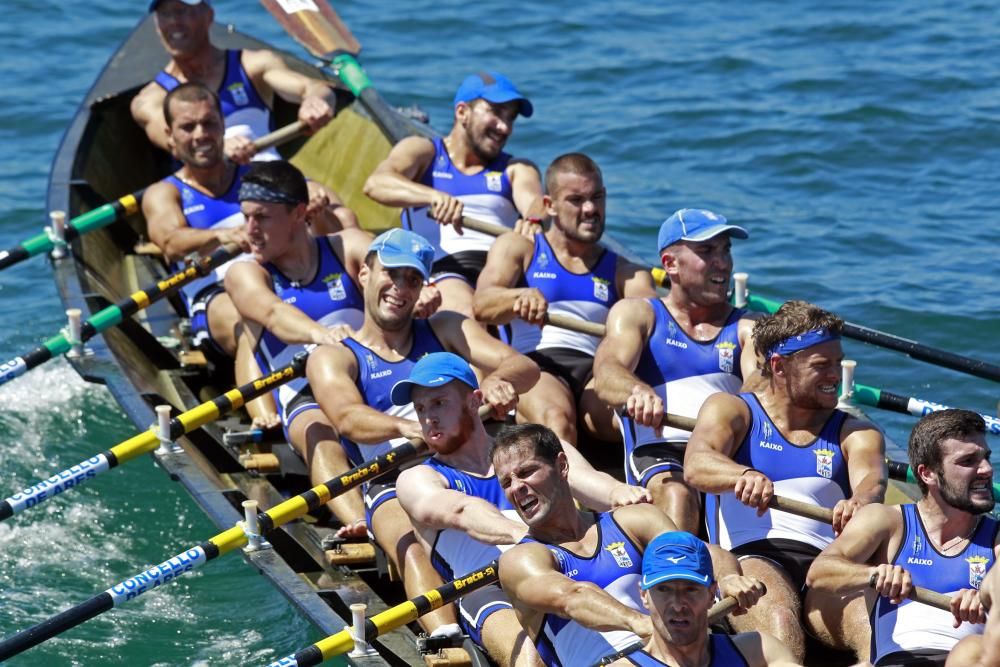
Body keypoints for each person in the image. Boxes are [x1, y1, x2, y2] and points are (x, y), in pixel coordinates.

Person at [305, 228, 540, 632]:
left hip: (469, 460)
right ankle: (445, 641)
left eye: (411, 279)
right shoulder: (335, 356)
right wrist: (419, 428)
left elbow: (526, 367)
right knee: (413, 547)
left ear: (422, 288)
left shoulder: (444, 326)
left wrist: (502, 380)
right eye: (390, 274)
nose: (399, 288)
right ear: (364, 274)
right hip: (392, 479)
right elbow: (347, 418)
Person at [393, 353, 649, 666]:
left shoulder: (529, 450)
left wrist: (623, 494)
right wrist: (528, 540)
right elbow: (464, 511)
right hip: (490, 593)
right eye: (420, 408)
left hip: (570, 568)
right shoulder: (416, 478)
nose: (427, 417)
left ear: (475, 402)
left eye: (439, 403)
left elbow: (594, 484)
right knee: (531, 661)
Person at [682, 300, 887, 662]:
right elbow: (697, 464)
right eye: (821, 366)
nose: (835, 376)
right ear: (779, 366)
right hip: (754, 556)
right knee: (778, 617)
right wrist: (741, 475)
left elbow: (872, 480)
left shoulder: (856, 431)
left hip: (829, 564)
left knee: (876, 631)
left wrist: (862, 501)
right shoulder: (734, 409)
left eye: (838, 364)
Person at [494, 424, 766, 667]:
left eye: (527, 472)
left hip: (683, 657)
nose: (516, 488)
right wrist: (643, 625)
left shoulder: (633, 521)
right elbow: (572, 596)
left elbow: (703, 553)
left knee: (766, 649)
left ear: (563, 465)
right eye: (506, 482)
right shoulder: (520, 560)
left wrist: (727, 578)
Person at [223, 159, 374, 537]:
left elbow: (390, 268)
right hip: (303, 391)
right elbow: (273, 314)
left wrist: (425, 288)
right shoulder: (246, 273)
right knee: (319, 434)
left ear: (298, 214)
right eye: (245, 217)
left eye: (262, 217)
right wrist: (319, 336)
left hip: (369, 373)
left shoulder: (346, 247)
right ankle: (359, 523)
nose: (249, 231)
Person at [593, 208, 758, 532]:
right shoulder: (639, 314)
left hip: (724, 456)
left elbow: (759, 389)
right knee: (678, 494)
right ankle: (672, 579)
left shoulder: (747, 327)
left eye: (726, 250)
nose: (723, 263)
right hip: (662, 451)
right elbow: (607, 373)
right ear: (670, 264)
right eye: (707, 252)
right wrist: (636, 390)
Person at [474, 153, 656, 445]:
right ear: (550, 206)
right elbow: (482, 304)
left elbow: (654, 319)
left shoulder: (627, 272)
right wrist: (517, 296)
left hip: (597, 372)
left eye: (597, 197)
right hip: (539, 365)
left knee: (633, 423)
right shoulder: (521, 248)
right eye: (576, 200)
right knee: (557, 421)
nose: (590, 209)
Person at [133, 0, 356, 232]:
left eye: (182, 12)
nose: (173, 23)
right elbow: (170, 140)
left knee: (344, 219)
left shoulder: (252, 64)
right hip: (213, 193)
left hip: (276, 178)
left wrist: (316, 101)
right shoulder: (150, 100)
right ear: (157, 26)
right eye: (165, 14)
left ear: (208, 16)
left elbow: (313, 88)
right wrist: (218, 147)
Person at [805, 409, 996, 666]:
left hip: (971, 660)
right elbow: (819, 574)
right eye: (968, 461)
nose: (986, 470)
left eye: (986, 458)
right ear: (927, 474)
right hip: (899, 660)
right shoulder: (886, 522)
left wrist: (988, 603)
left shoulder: (996, 538)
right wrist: (874, 575)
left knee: (971, 651)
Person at [363, 71, 545, 317]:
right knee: (467, 313)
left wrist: (534, 220)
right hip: (444, 269)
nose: (505, 127)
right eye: (496, 113)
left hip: (503, 272)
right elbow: (376, 184)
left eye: (510, 118)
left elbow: (535, 201)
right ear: (462, 112)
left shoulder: (516, 168)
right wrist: (432, 196)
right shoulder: (424, 151)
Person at [142, 82, 251, 361]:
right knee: (251, 326)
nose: (201, 135)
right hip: (214, 294)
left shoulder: (255, 175)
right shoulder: (165, 193)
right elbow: (171, 243)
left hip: (271, 277)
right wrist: (223, 236)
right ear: (169, 135)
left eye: (209, 123)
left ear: (223, 125)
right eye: (188, 127)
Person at [605, 531, 802, 667]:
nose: (677, 604)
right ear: (644, 596)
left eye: (691, 589)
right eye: (663, 589)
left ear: (711, 595)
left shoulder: (759, 652)